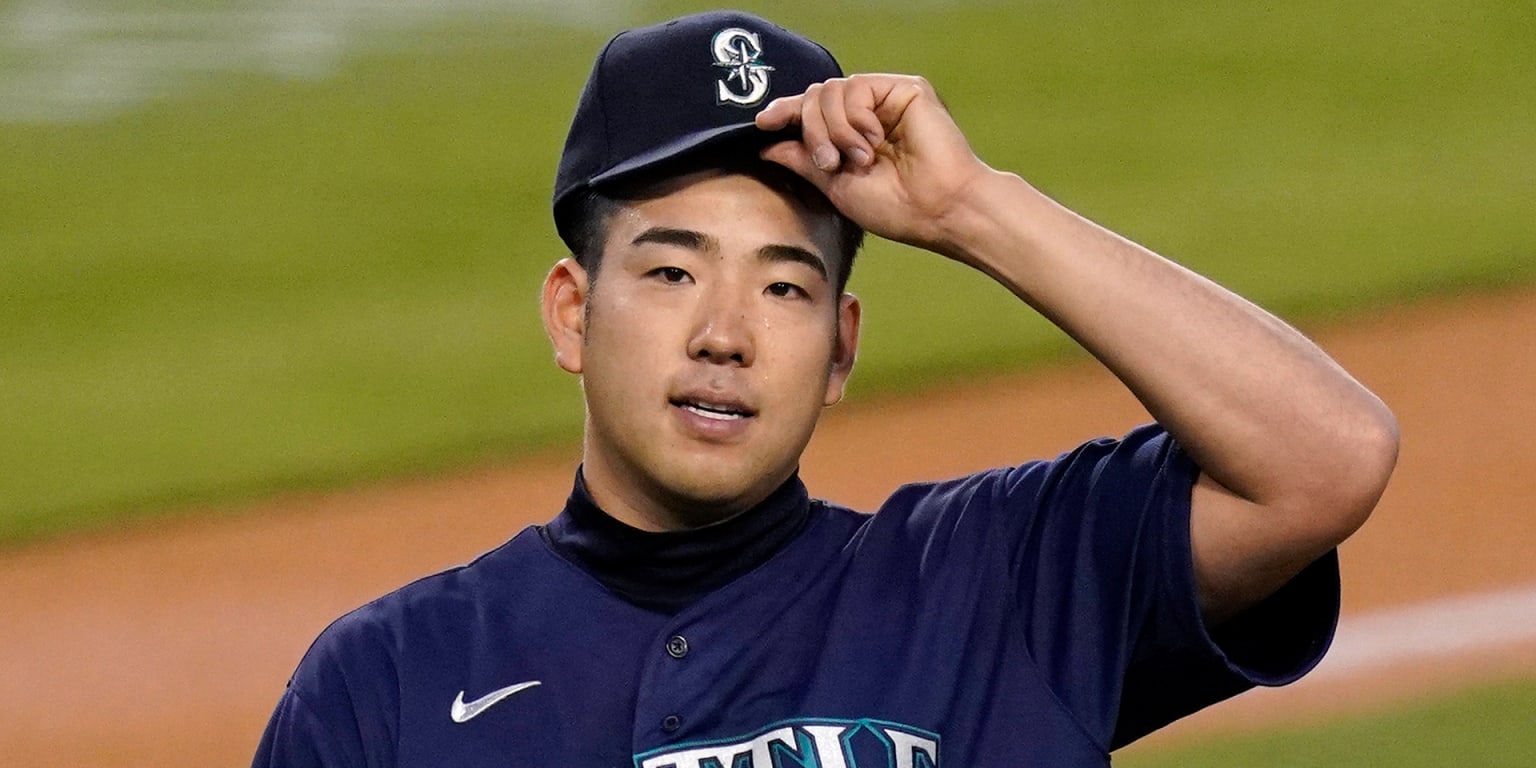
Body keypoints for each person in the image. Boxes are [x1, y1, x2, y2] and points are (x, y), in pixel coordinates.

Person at [253, 10, 1398, 767]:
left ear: (842, 348)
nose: (724, 335)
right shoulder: (390, 685)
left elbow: (1329, 457)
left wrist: (970, 210)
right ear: (572, 311)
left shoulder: (1002, 583)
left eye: (786, 288)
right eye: (669, 270)